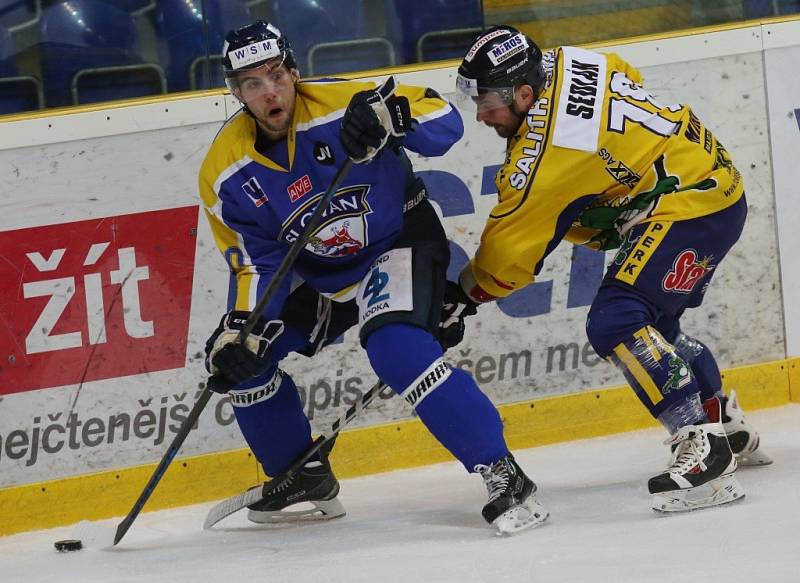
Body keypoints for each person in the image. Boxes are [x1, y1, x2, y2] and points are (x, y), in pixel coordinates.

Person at [197, 20, 548, 534]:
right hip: (321, 277)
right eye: (252, 82)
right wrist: (240, 328)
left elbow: (445, 120)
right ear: (235, 93)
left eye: (276, 75)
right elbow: (253, 262)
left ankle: (502, 472)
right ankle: (301, 474)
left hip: (398, 241)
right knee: (246, 359)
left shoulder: (347, 103)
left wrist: (395, 117)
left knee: (396, 347)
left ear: (295, 72)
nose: (269, 91)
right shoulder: (224, 171)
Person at [443, 25, 771, 513]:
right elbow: (624, 75)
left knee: (616, 318)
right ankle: (720, 417)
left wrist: (462, 295)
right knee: (656, 328)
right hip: (709, 180)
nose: (481, 114)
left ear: (525, 93)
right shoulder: (566, 59)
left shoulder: (544, 156)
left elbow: (508, 258)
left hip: (690, 207)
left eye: (487, 101)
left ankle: (701, 447)